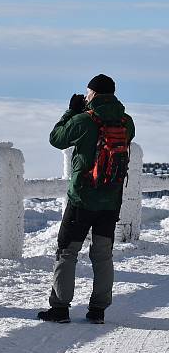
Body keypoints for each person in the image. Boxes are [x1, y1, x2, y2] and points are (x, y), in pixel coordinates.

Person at [38, 74, 135, 324]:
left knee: (67, 252)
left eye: (88, 91)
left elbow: (56, 139)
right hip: (111, 200)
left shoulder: (83, 120)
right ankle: (98, 311)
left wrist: (71, 112)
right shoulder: (127, 122)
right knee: (103, 254)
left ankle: (60, 309)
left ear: (92, 93)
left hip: (82, 199)